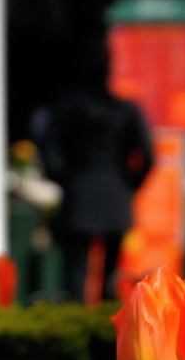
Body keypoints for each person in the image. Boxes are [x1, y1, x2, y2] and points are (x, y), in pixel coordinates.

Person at [36, 43, 154, 304]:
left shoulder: (70, 108)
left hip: (79, 198)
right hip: (116, 200)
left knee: (75, 278)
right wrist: (128, 185)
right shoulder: (126, 110)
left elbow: (49, 150)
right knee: (112, 278)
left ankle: (78, 329)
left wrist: (65, 179)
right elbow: (149, 156)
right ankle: (109, 336)